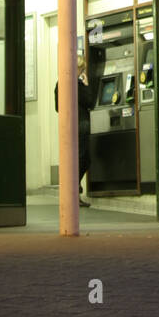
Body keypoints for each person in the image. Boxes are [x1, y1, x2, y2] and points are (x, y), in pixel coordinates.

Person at [54, 56, 95, 208]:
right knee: (83, 160)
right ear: (77, 69)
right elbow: (90, 102)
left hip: (67, 126)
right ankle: (74, 191)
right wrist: (86, 84)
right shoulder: (78, 84)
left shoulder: (60, 84)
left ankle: (73, 192)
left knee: (73, 160)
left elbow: (58, 107)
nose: (82, 71)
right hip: (81, 125)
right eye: (82, 69)